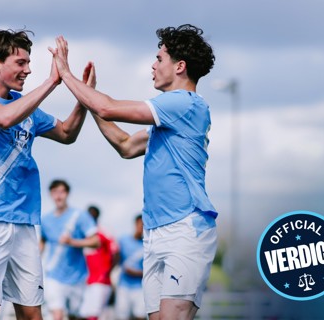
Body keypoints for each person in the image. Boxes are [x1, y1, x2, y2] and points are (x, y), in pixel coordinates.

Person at [51, 24, 218, 320]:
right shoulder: (167, 120)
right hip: (156, 234)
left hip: (185, 231)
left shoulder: (184, 104)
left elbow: (108, 107)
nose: (153, 66)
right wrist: (89, 98)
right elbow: (126, 145)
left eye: (159, 58)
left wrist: (65, 73)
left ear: (180, 66)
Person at [0, 29, 93, 320]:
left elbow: (67, 133)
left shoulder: (28, 109)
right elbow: (3, 118)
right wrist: (52, 82)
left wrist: (83, 98)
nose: (28, 69)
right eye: (20, 62)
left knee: (32, 314)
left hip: (24, 223)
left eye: (29, 62)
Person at [40, 180, 100, 320]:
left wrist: (72, 242)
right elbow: (42, 241)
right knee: (57, 314)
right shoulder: (45, 220)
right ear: (50, 195)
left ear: (67, 194)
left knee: (74, 315)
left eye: (61, 192)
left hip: (77, 276)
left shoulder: (80, 215)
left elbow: (96, 241)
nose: (58, 196)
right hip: (53, 275)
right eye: (55, 192)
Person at [78, 205, 118, 320]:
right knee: (84, 313)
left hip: (100, 280)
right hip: (85, 280)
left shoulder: (103, 233)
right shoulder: (83, 235)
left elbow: (116, 253)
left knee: (94, 314)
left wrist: (107, 272)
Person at [115, 215, 145, 320]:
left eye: (144, 225)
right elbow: (116, 261)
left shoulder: (147, 244)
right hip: (123, 285)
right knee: (122, 316)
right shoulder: (123, 240)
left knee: (140, 315)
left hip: (140, 287)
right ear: (135, 224)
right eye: (140, 224)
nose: (142, 227)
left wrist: (136, 273)